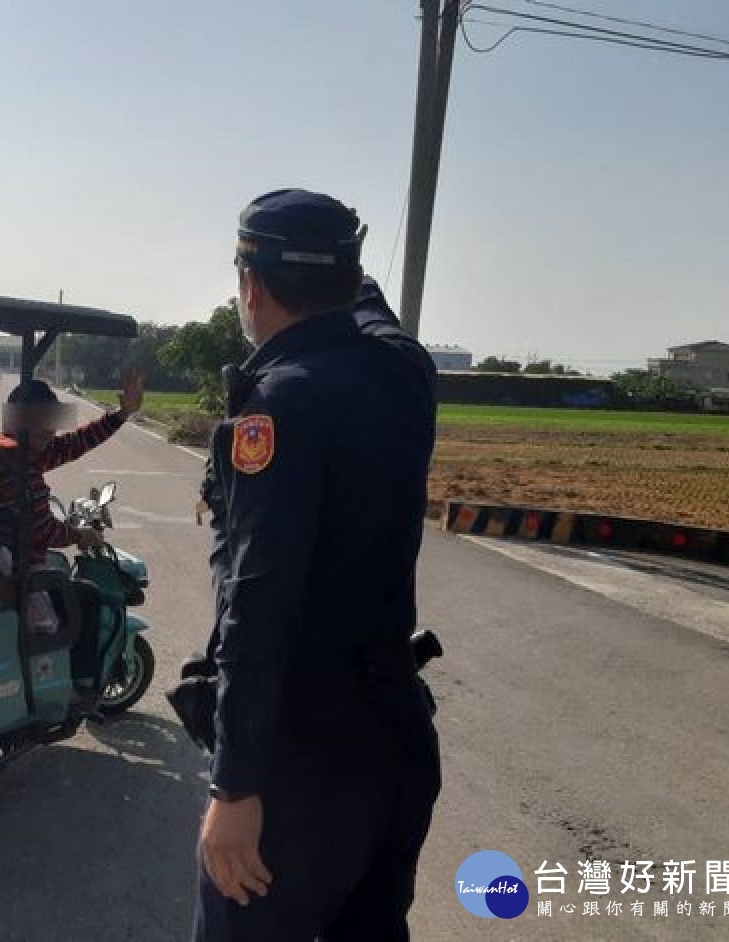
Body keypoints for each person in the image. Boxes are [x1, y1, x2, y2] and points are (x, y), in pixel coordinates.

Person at [191, 189, 441, 941]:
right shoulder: (404, 372)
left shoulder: (280, 402)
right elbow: (369, 313)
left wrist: (236, 786)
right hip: (393, 741)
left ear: (251, 286)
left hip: (301, 771)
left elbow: (258, 604)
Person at [0, 370, 145, 566]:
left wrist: (123, 413)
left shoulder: (9, 449)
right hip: (20, 573)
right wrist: (79, 536)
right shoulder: (17, 463)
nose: (47, 429)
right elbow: (41, 530)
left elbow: (75, 443)